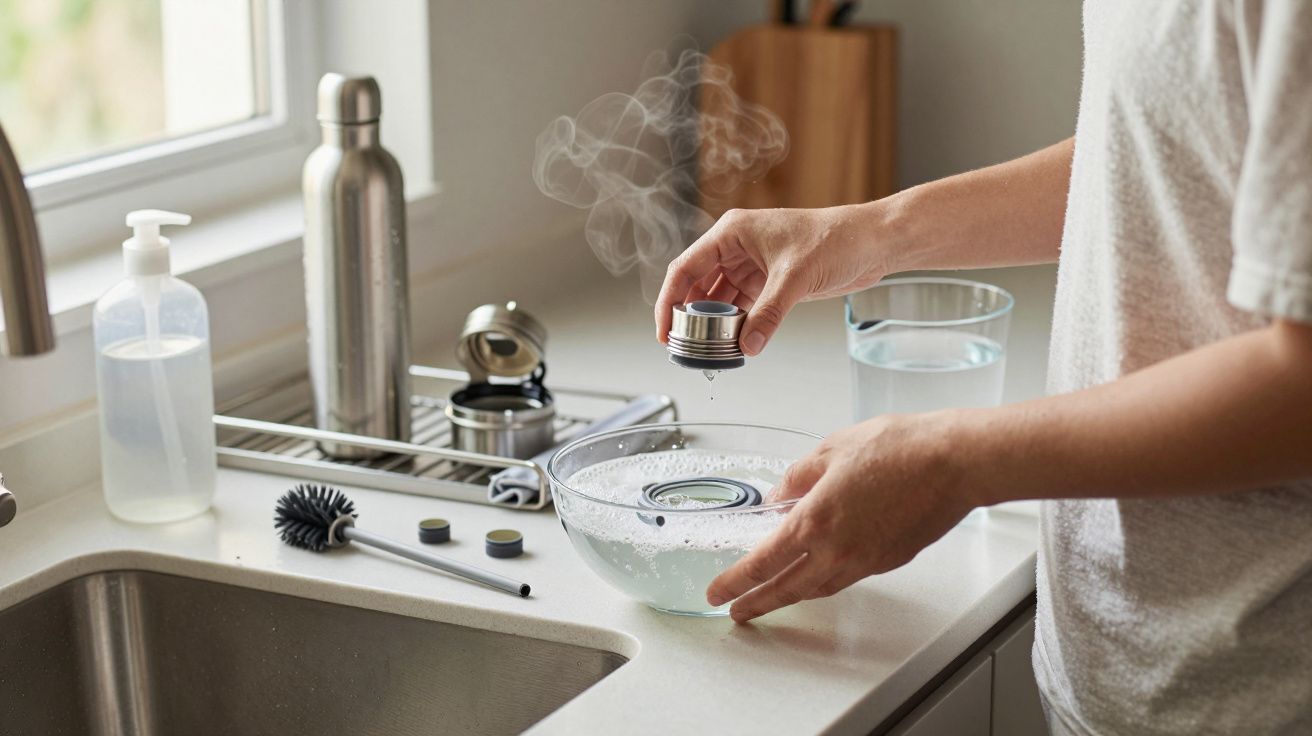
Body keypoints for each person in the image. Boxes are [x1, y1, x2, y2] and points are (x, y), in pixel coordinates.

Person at [653, 3, 1312, 734]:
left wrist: (954, 460)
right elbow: (1168, 147)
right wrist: (870, 232)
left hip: (1264, 688)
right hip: (1129, 676)